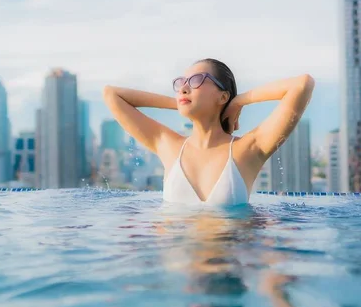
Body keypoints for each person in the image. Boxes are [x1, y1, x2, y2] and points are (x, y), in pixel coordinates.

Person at [102, 58, 315, 205]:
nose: (184, 88)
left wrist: (239, 101)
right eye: (181, 83)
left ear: (223, 96)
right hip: (174, 268)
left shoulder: (248, 150)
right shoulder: (168, 145)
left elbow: (303, 84)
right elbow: (111, 94)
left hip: (229, 265)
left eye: (196, 80)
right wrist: (179, 102)